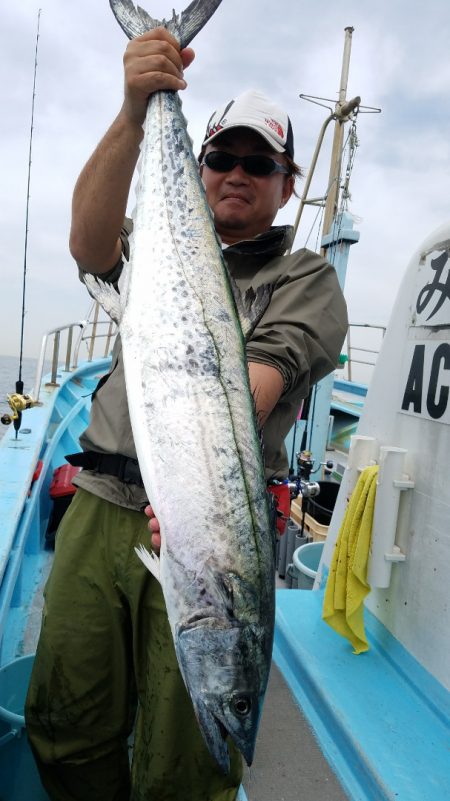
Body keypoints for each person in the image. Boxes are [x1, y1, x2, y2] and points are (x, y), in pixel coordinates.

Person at [25, 27, 348, 801]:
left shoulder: (306, 281)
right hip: (102, 507)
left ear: (287, 182)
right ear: (199, 166)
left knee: (184, 768)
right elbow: (87, 239)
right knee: (66, 721)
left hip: (212, 531)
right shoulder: (154, 243)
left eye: (259, 163)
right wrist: (139, 108)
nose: (237, 174)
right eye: (222, 159)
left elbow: (249, 389)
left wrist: (197, 502)